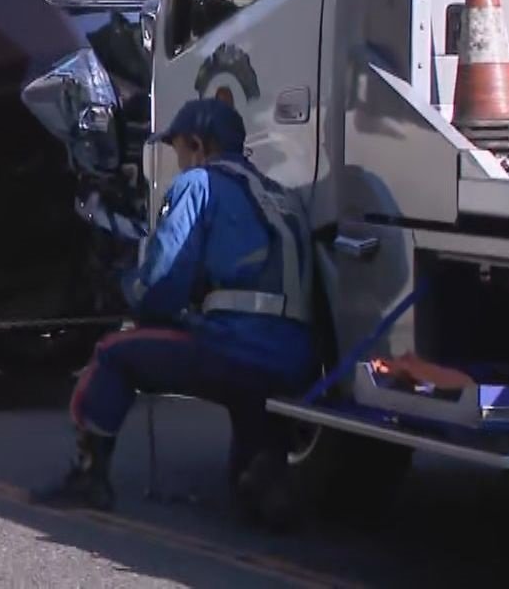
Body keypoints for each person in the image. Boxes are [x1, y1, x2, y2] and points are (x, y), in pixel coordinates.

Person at [32, 97, 317, 528]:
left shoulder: (199, 183)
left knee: (114, 354)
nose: (179, 161)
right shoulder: (282, 196)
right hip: (295, 357)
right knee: (248, 407)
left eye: (180, 150)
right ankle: (262, 474)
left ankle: (91, 477)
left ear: (198, 145)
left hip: (233, 348)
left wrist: (131, 293)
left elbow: (164, 281)